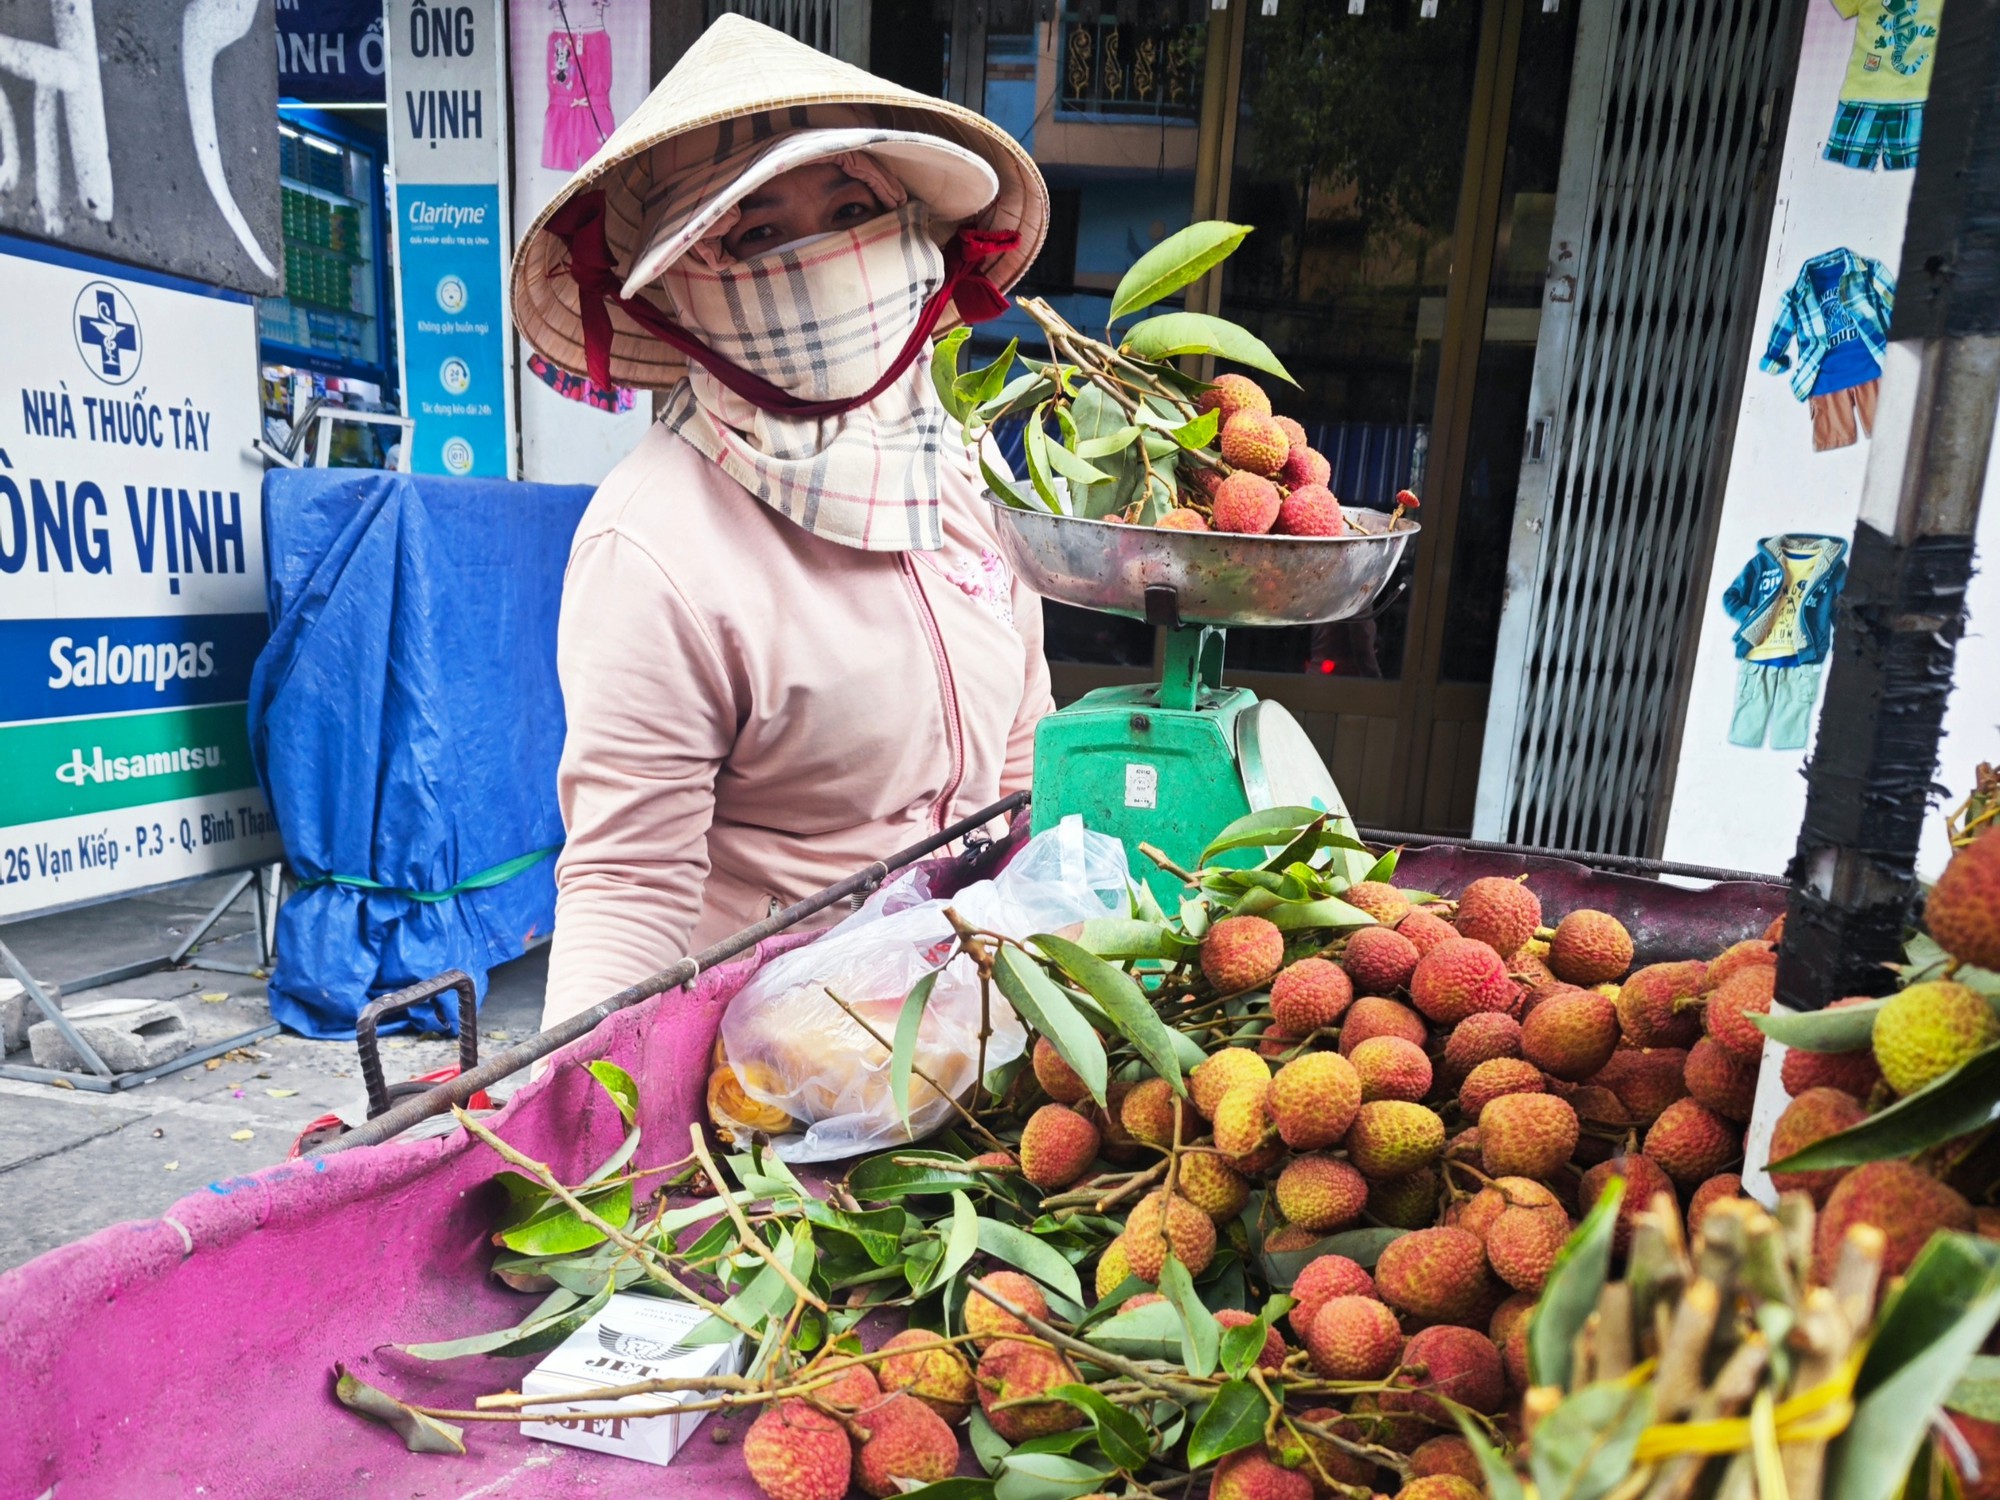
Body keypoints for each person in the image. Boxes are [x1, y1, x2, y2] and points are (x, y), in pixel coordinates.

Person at [510, 17, 1053, 1028]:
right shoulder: (655, 545)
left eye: (851, 205)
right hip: (772, 1054)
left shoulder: (962, 472)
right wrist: (576, 1117)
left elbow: (1018, 764)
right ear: (682, 295)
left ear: (909, 232)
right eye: (756, 232)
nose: (825, 252)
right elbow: (629, 884)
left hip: (971, 1004)